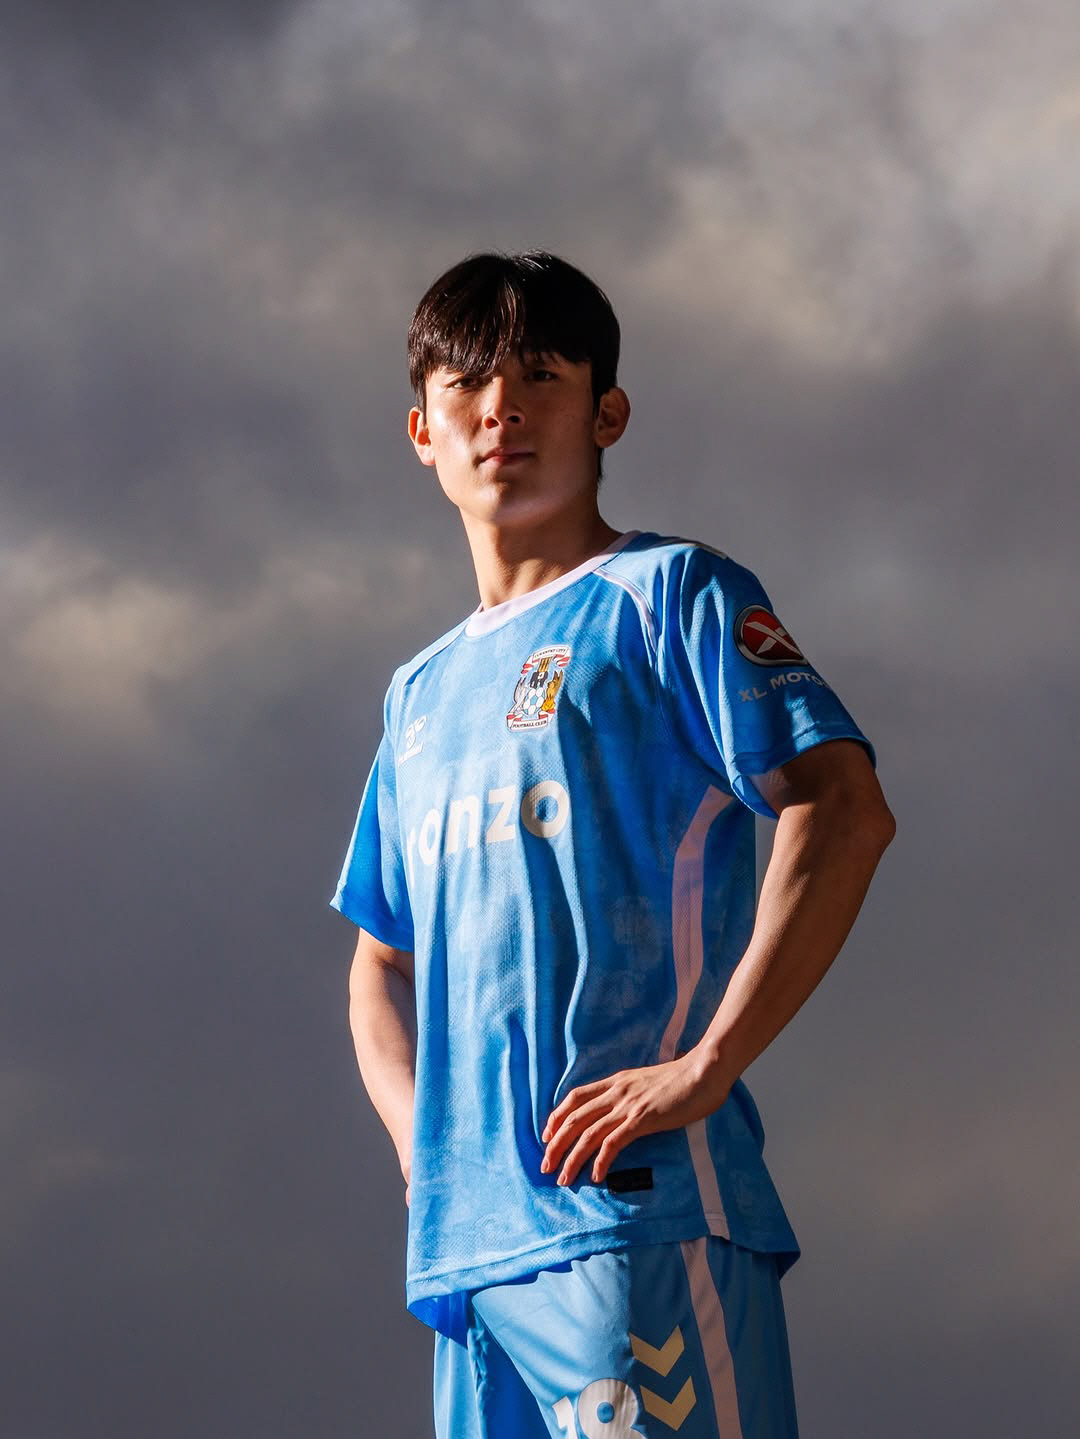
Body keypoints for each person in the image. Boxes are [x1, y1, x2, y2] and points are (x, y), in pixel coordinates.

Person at [332, 251, 895, 1438]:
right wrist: (423, 1141)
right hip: (467, 1260)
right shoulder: (418, 693)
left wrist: (709, 1064)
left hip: (633, 1216)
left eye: (540, 374)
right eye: (466, 382)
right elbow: (380, 957)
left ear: (608, 412)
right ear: (422, 430)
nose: (501, 408)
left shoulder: (669, 594)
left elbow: (843, 806)